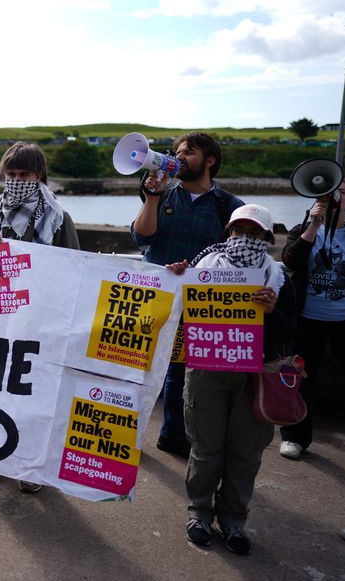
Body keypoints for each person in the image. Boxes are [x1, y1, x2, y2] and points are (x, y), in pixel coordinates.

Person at [166, 204, 295, 556]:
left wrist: (271, 312)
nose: (244, 239)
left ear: (267, 239)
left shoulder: (279, 277)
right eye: (238, 231)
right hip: (207, 370)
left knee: (245, 454)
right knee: (206, 450)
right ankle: (199, 513)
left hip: (256, 377)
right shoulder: (202, 269)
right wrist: (175, 276)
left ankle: (234, 520)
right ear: (228, 232)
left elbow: (292, 331)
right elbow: (174, 312)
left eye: (254, 233)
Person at [0, 141, 79, 493]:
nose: (16, 180)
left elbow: (74, 269)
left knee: (34, 396)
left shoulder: (58, 218)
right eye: (11, 174)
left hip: (38, 322)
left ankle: (31, 469)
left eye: (24, 174)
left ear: (39, 175)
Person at [131, 132, 244, 458]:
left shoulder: (228, 206)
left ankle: (173, 436)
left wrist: (197, 266)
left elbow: (236, 256)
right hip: (154, 294)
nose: (180, 157)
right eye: (177, 152)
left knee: (180, 371)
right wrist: (152, 197)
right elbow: (142, 236)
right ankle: (125, 436)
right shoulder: (164, 194)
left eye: (189, 152)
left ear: (210, 161)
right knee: (136, 367)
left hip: (198, 301)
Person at [278, 180, 345, 460]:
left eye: (342, 193)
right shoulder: (303, 231)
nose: (335, 197)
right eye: (328, 194)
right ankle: (294, 437)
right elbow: (289, 261)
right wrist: (314, 225)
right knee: (299, 380)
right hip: (308, 319)